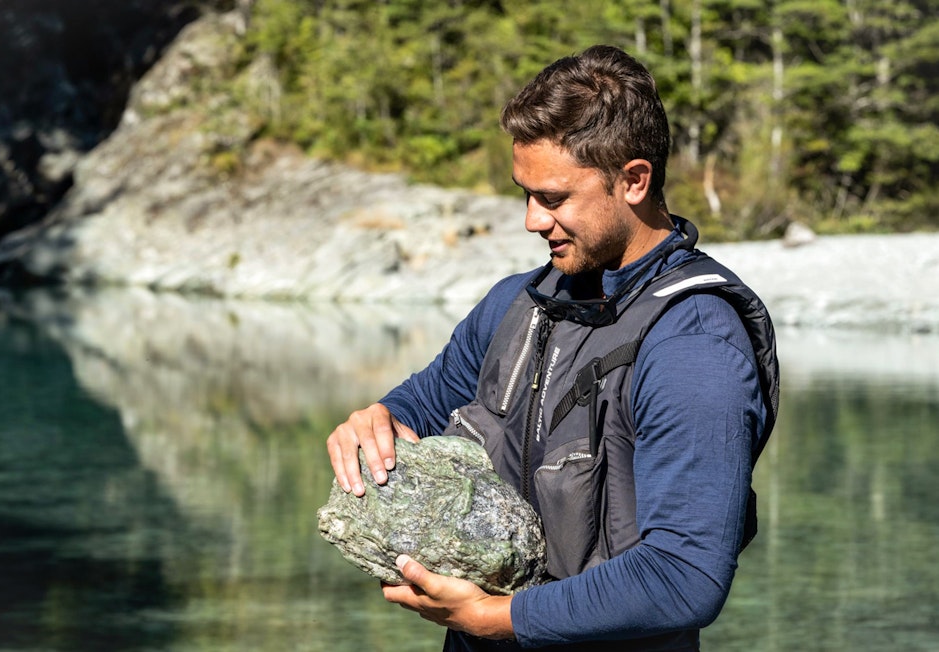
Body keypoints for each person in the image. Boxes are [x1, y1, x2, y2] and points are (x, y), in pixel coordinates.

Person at [326, 44, 779, 651]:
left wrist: (497, 618)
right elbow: (423, 403)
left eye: (554, 198)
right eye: (525, 194)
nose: (532, 221)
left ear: (635, 180)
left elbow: (685, 576)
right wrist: (375, 421)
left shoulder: (694, 343)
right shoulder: (518, 302)